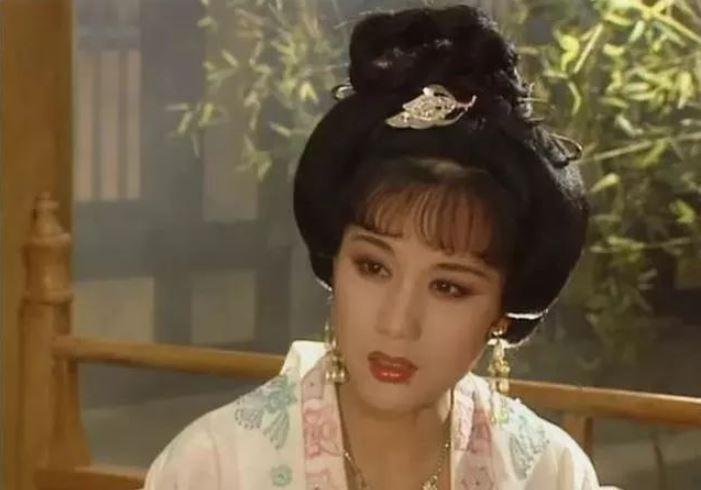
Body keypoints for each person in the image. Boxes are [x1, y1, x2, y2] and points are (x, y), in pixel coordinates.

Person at [143, 5, 604, 489]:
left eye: (448, 287)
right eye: (373, 267)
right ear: (335, 263)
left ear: (502, 314)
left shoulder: (549, 473)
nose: (396, 323)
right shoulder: (215, 468)